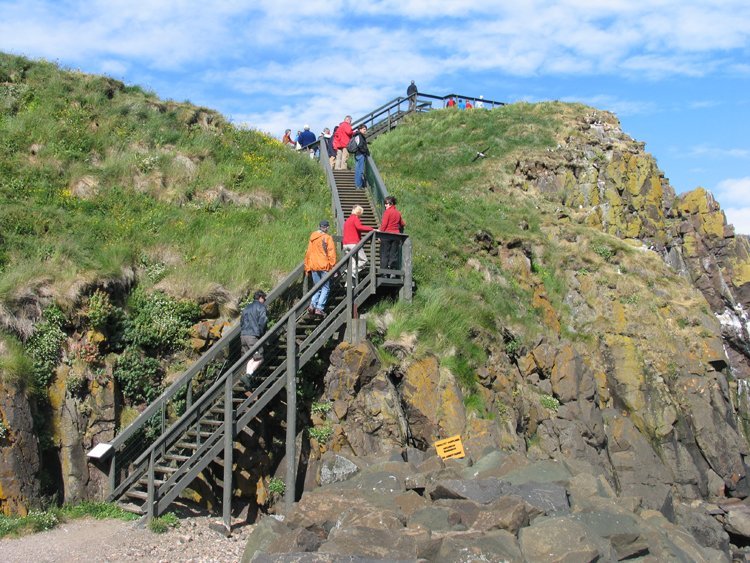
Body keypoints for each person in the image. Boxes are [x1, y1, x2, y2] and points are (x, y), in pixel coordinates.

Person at [304, 220, 337, 317]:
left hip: (314, 265)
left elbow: (308, 253)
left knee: (317, 286)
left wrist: (307, 267)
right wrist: (333, 266)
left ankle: (312, 305)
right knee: (326, 288)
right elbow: (331, 253)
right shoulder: (327, 238)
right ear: (326, 227)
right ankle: (319, 308)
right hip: (324, 265)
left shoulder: (313, 238)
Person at [239, 290, 267, 391]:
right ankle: (248, 375)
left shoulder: (246, 307)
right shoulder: (261, 307)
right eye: (264, 298)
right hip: (253, 336)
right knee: (259, 358)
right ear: (260, 298)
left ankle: (247, 379)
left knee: (250, 358)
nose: (264, 301)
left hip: (243, 336)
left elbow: (241, 321)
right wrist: (261, 334)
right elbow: (263, 321)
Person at [342, 205, 374, 283]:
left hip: (345, 244)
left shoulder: (347, 220)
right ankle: (350, 272)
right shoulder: (355, 218)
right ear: (359, 212)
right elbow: (359, 227)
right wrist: (372, 229)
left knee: (353, 263)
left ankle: (349, 285)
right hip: (353, 244)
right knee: (364, 261)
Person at [378, 195, 406, 276]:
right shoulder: (397, 212)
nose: (385, 205)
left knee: (384, 254)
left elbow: (384, 224)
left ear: (391, 203)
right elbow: (402, 223)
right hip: (396, 236)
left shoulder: (387, 212)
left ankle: (384, 273)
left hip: (386, 235)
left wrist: (380, 235)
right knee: (393, 254)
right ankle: (392, 273)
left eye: (386, 204)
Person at [351, 124, 369, 189]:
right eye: (364, 129)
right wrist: (365, 151)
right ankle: (359, 185)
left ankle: (357, 185)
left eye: (365, 129)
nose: (365, 130)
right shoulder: (359, 135)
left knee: (357, 170)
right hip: (360, 154)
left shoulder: (356, 135)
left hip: (357, 154)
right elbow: (360, 145)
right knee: (360, 171)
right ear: (360, 129)